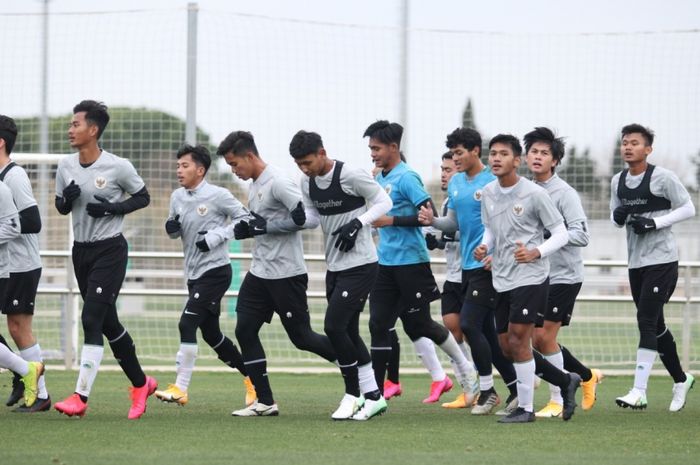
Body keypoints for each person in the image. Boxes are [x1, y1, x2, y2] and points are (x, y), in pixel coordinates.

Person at [217, 130, 336, 417]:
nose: (234, 171)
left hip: (286, 273)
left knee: (302, 338)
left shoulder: (279, 181)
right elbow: (264, 222)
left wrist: (266, 227)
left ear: (249, 156)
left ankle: (359, 365)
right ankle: (265, 401)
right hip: (260, 272)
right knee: (244, 329)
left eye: (235, 164)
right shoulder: (255, 183)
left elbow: (306, 219)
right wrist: (248, 228)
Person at [53, 100, 157, 419]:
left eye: (76, 124)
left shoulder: (118, 166)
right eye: (70, 125)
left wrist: (113, 208)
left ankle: (80, 397)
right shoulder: (65, 165)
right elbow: (60, 207)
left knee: (90, 320)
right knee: (108, 323)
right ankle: (141, 384)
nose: (70, 130)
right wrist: (66, 201)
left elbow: (143, 197)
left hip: (110, 250)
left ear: (93, 130)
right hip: (81, 252)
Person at [365, 120, 478, 408]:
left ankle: (465, 368)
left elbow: (428, 214)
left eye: (376, 148)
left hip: (412, 263)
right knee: (378, 324)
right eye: (370, 148)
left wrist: (391, 220)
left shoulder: (407, 177)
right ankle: (374, 394)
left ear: (393, 147)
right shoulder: (378, 179)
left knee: (421, 324)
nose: (372, 153)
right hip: (385, 263)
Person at [474, 134, 580, 423]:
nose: (496, 158)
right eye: (492, 153)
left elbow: (561, 233)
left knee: (520, 340)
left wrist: (536, 252)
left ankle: (526, 409)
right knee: (507, 346)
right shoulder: (488, 193)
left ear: (516, 161)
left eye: (503, 154)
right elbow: (490, 230)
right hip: (502, 277)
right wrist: (486, 246)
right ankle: (564, 380)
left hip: (531, 277)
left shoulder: (534, 194)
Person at [289, 130, 392, 420]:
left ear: (322, 153)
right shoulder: (306, 181)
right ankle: (374, 397)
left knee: (334, 327)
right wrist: (298, 219)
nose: (304, 168)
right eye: (299, 164)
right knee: (347, 331)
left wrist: (358, 223)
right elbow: (312, 218)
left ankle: (353, 394)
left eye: (307, 162)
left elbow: (384, 203)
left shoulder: (352, 175)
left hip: (361, 264)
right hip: (334, 266)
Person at [419, 128, 518, 414]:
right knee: (486, 333)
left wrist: (498, 254)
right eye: (452, 154)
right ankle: (516, 389)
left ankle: (487, 391)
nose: (455, 158)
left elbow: (506, 225)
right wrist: (433, 221)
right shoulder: (457, 183)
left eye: (460, 153)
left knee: (470, 324)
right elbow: (454, 223)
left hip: (488, 267)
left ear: (476, 151)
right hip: (466, 268)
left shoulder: (493, 181)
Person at [154, 144, 256, 408]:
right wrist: (171, 228)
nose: (179, 170)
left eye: (184, 166)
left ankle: (181, 387)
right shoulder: (177, 196)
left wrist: (217, 236)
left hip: (216, 271)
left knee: (186, 324)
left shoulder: (218, 195)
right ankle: (252, 379)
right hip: (194, 273)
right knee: (211, 334)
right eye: (178, 166)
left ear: (200, 170)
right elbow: (174, 230)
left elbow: (246, 218)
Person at [610, 124, 695, 411]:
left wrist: (655, 223)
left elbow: (688, 208)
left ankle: (639, 390)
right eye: (624, 143)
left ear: (648, 149)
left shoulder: (663, 177)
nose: (628, 147)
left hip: (663, 260)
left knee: (645, 321)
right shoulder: (617, 181)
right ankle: (681, 380)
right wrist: (618, 216)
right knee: (655, 326)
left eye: (634, 143)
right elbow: (614, 218)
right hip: (636, 263)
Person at [524, 127, 602, 418]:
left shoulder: (564, 193)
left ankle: (557, 398)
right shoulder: (524, 190)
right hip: (535, 276)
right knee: (537, 339)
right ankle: (585, 375)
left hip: (564, 276)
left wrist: (551, 235)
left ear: (555, 160)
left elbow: (582, 235)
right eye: (534, 151)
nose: (538, 157)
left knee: (543, 338)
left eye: (545, 153)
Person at [0, 115, 51, 412]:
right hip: (7, 263)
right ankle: (22, 371)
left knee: (19, 328)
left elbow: (32, 221)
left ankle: (39, 392)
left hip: (21, 263)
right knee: (16, 327)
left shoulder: (14, 176)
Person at [0, 177, 44, 409]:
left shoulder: (5, 186)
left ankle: (27, 372)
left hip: (7, 269)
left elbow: (14, 226)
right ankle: (26, 369)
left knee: (18, 327)